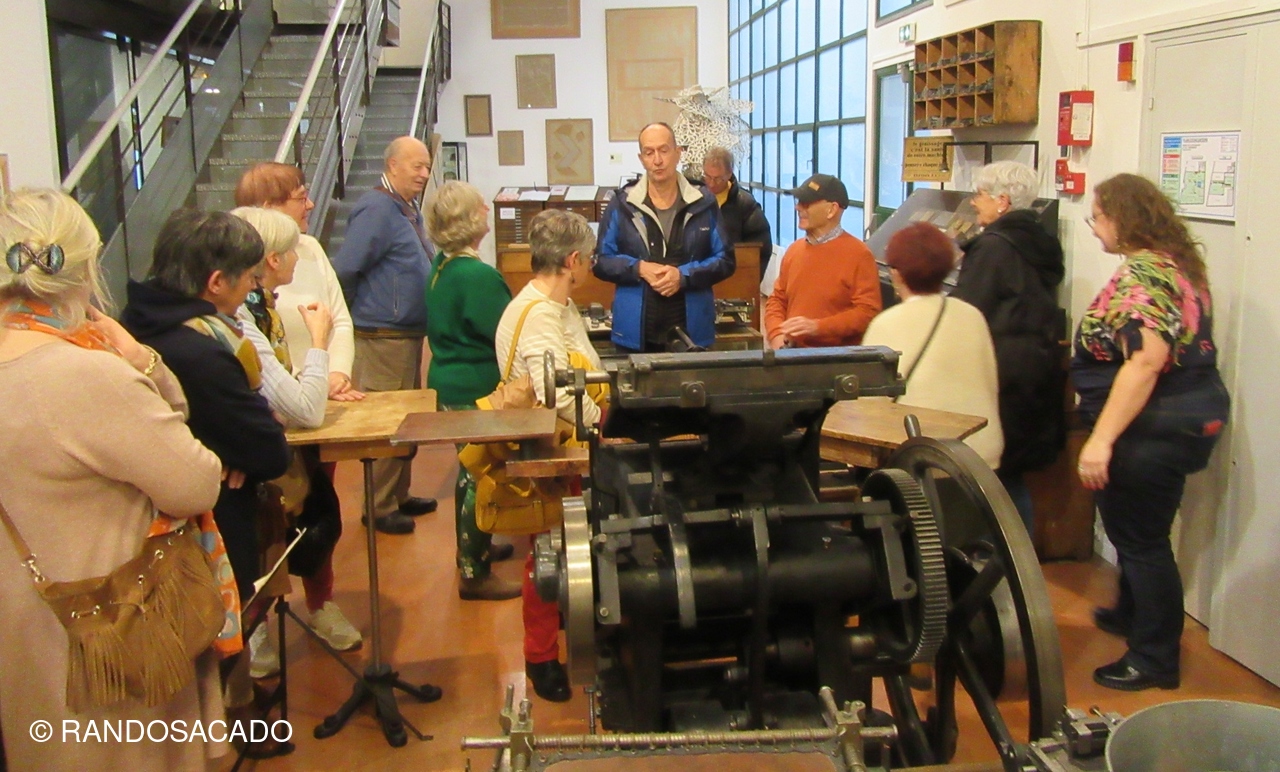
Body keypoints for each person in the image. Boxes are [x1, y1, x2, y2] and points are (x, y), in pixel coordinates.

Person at [0, 189, 225, 770]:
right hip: (112, 636)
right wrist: (145, 363)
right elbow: (196, 481)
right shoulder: (84, 374)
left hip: (23, 631)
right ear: (84, 271)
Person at [1074, 173, 1229, 691]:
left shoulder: (1144, 275)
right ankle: (1131, 614)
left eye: (1097, 216)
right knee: (1136, 530)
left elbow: (1146, 361)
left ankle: (1154, 658)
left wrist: (1101, 441)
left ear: (1123, 219)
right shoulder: (1176, 266)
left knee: (1142, 541)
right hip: (1186, 416)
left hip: (1152, 427)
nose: (1094, 227)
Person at [121, 209, 292, 605]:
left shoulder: (132, 325)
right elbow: (269, 452)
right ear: (216, 282)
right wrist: (234, 451)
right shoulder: (201, 353)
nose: (254, 288)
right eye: (250, 278)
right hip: (204, 537)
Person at [228, 207, 365, 680]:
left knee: (316, 519)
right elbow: (293, 399)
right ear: (270, 259)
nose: (297, 258)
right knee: (262, 539)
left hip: (296, 423)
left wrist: (330, 375)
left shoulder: (266, 301)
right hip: (262, 443)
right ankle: (256, 628)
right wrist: (318, 344)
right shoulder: (242, 317)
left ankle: (321, 605)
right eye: (289, 253)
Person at [494, 208, 604, 703]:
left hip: (566, 445)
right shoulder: (539, 313)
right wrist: (601, 423)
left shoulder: (551, 304)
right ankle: (539, 658)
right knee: (548, 555)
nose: (591, 266)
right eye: (589, 258)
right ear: (573, 260)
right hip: (555, 451)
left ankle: (566, 632)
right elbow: (557, 391)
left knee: (560, 552)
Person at [951, 161, 1065, 532]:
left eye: (980, 194)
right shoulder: (1038, 243)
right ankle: (1017, 558)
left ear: (1003, 201)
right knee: (1010, 477)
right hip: (1032, 372)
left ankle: (1007, 560)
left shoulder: (993, 248)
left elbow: (968, 313)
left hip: (1001, 375)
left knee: (997, 479)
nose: (973, 202)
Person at [332, 136, 438, 534]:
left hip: (405, 332)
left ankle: (398, 494)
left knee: (408, 420)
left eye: (426, 166)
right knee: (389, 423)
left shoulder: (406, 207)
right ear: (393, 165)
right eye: (416, 166)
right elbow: (347, 268)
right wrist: (358, 315)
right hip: (383, 335)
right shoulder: (376, 208)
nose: (424, 174)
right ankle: (378, 506)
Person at [424, 181, 521, 601]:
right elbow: (506, 332)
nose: (486, 207)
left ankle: (475, 545)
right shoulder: (477, 276)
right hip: (474, 387)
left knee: (469, 472)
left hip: (448, 381)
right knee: (480, 475)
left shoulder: (442, 266)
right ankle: (473, 572)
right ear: (467, 220)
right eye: (479, 205)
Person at [863, 222, 1003, 469]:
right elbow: (991, 385)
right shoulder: (972, 316)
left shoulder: (887, 323)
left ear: (897, 273)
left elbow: (869, 405)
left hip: (924, 458)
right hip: (980, 455)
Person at [595, 122, 733, 352]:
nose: (657, 160)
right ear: (641, 159)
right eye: (649, 153)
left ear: (678, 153)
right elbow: (601, 261)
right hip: (635, 334)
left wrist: (683, 276)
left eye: (664, 150)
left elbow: (726, 260)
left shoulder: (703, 201)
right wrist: (639, 268)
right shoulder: (622, 203)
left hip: (693, 334)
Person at [764, 173, 882, 348]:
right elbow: (777, 299)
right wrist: (777, 335)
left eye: (806, 203)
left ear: (832, 210)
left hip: (835, 359)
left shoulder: (859, 255)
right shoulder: (794, 250)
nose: (798, 207)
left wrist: (817, 327)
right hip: (790, 355)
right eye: (798, 201)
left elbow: (867, 312)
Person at [698, 146, 773, 276]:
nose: (711, 183)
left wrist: (749, 280)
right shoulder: (694, 199)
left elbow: (760, 249)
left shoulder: (745, 204)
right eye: (708, 176)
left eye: (718, 178)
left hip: (734, 277)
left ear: (729, 174)